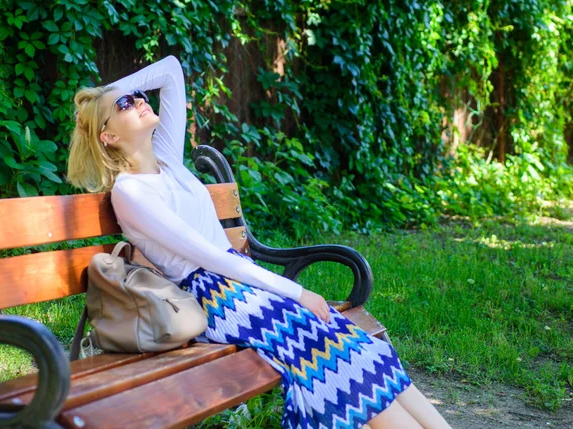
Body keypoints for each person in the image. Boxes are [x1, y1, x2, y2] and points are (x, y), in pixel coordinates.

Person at [67, 55, 452, 429]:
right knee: (328, 354)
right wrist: (297, 292)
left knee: (357, 347)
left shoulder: (168, 160)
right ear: (110, 136)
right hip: (215, 297)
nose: (138, 100)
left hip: (240, 282)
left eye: (138, 96)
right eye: (124, 104)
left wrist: (112, 93)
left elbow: (170, 70)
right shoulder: (131, 193)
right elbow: (210, 258)